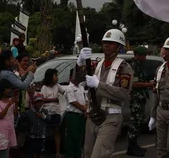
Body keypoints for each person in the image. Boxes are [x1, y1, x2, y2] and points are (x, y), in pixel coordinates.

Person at [76, 28, 134, 158]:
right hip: (93, 116)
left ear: (119, 47)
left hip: (111, 117)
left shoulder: (124, 67)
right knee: (87, 153)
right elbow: (76, 81)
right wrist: (79, 63)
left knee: (100, 154)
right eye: (105, 42)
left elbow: (124, 94)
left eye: (111, 43)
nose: (106, 45)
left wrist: (98, 85)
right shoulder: (97, 64)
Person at [127, 46, 154, 156]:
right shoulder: (133, 66)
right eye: (144, 55)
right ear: (138, 55)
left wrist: (148, 82)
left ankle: (134, 145)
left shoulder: (138, 65)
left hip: (140, 98)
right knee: (134, 124)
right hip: (136, 99)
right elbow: (134, 83)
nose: (145, 58)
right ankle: (131, 147)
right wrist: (149, 84)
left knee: (138, 124)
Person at [0, 79, 19, 158]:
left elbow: (15, 114)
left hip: (9, 129)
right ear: (2, 90)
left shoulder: (11, 101)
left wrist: (16, 104)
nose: (9, 91)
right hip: (0, 131)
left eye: (10, 89)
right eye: (7, 89)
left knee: (6, 152)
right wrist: (8, 105)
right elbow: (1, 116)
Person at [41, 68, 66, 158]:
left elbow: (65, 92)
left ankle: (57, 152)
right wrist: (53, 99)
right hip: (47, 112)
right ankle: (42, 152)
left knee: (56, 131)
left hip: (56, 112)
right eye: (55, 75)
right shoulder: (44, 87)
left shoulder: (57, 86)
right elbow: (42, 100)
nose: (57, 77)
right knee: (44, 132)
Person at [63, 73, 88, 158]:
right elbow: (73, 102)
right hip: (73, 115)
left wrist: (85, 107)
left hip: (81, 116)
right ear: (70, 77)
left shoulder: (81, 87)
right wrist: (83, 108)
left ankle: (78, 155)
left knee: (79, 138)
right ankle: (70, 155)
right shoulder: (69, 88)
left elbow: (86, 99)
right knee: (71, 137)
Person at [22, 93, 48, 158]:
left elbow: (49, 119)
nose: (39, 104)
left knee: (40, 150)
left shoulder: (45, 111)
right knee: (32, 151)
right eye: (37, 102)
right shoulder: (28, 112)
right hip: (32, 135)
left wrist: (42, 116)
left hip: (41, 135)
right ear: (34, 103)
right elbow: (22, 120)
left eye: (41, 102)